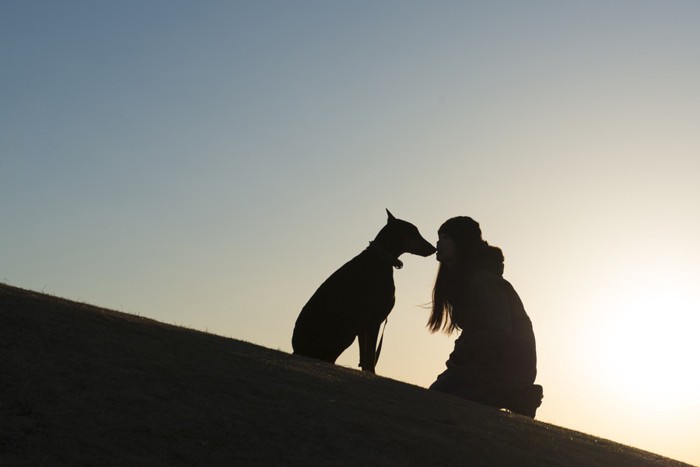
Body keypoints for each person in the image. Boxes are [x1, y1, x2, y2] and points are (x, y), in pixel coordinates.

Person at [428, 216, 542, 417]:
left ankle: (518, 397)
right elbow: (479, 329)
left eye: (445, 238)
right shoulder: (467, 279)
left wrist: (462, 351)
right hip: (490, 362)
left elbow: (499, 329)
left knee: (441, 396)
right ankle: (513, 396)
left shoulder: (482, 281)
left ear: (461, 242)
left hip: (508, 367)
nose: (438, 243)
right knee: (441, 390)